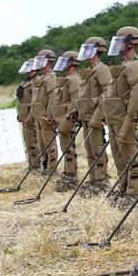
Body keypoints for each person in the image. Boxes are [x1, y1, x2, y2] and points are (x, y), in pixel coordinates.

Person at [104, 26, 138, 209]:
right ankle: (123, 190)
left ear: (131, 43)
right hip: (115, 120)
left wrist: (130, 121)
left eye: (121, 42)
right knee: (119, 158)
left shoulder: (134, 66)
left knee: (131, 159)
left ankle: (133, 193)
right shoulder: (122, 66)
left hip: (125, 120)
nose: (118, 45)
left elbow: (137, 96)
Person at [70, 37, 112, 197]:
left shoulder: (101, 69)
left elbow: (106, 91)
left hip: (94, 118)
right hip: (85, 117)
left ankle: (101, 181)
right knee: (89, 150)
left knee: (97, 149)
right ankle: (94, 179)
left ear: (97, 50)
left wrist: (99, 114)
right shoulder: (89, 71)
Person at [50, 51, 82, 192]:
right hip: (62, 119)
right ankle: (68, 173)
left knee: (69, 149)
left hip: (68, 120)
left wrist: (69, 117)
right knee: (65, 148)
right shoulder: (67, 79)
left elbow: (75, 100)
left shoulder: (74, 79)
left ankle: (71, 175)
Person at [30, 49, 59, 175]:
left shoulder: (50, 78)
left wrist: (49, 114)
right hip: (40, 117)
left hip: (45, 117)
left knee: (49, 144)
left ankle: (52, 169)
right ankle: (45, 167)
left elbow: (53, 97)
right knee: (42, 144)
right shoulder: (43, 77)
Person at [16, 59, 40, 169]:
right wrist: (20, 114)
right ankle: (32, 165)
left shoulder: (36, 81)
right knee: (29, 143)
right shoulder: (26, 82)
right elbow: (22, 101)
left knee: (34, 143)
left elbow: (35, 102)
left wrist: (30, 116)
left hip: (32, 117)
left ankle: (37, 165)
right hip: (24, 116)